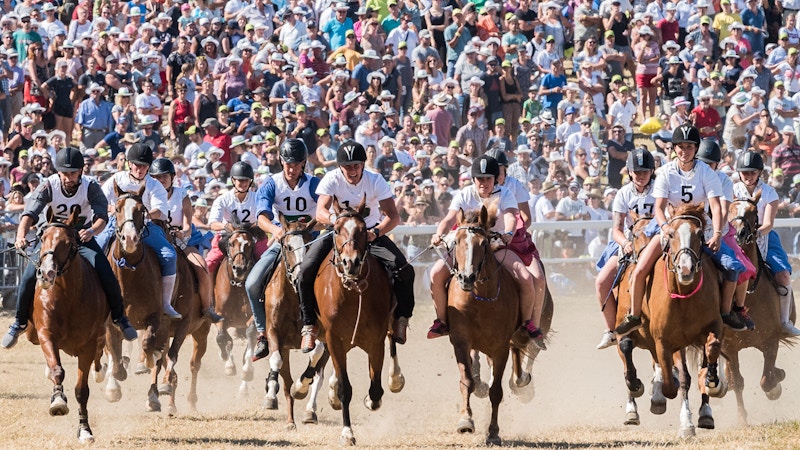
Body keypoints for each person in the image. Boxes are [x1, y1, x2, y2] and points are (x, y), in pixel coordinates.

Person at [615, 125, 748, 336]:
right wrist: (665, 227)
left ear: (695, 149)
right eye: (680, 147)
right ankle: (634, 315)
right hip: (672, 229)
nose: (684, 151)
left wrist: (716, 234)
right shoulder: (665, 172)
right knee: (639, 270)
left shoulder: (707, 172)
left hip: (700, 230)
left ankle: (725, 313)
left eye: (689, 147)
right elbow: (659, 208)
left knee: (733, 267)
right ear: (674, 148)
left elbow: (715, 206)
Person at [1, 148, 137, 349]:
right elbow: (29, 214)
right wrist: (21, 236)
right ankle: (19, 322)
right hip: (52, 239)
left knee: (105, 271)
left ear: (81, 171)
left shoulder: (91, 186)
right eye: (64, 173)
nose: (68, 178)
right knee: (29, 276)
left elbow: (102, 217)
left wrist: (92, 231)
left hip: (81, 237)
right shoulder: (48, 185)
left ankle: (119, 318)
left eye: (72, 173)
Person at [296, 140, 415, 353]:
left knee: (405, 270)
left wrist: (375, 233)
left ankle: (400, 319)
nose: (352, 170)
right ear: (340, 167)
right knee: (304, 271)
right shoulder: (331, 179)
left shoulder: (375, 180)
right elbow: (320, 212)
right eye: (348, 166)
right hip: (339, 233)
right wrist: (337, 222)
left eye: (356, 165)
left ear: (362, 165)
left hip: (368, 233)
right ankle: (309, 325)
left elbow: (393, 216)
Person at [428, 155, 546, 349]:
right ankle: (442, 321)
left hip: (494, 246)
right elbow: (449, 219)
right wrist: (438, 234)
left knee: (525, 278)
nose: (484, 183)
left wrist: (509, 233)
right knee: (435, 274)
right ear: (474, 179)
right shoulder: (464, 194)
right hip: (466, 246)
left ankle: (527, 323)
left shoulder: (505, 193)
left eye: (488, 179)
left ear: (495, 179)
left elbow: (511, 216)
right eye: (480, 179)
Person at [246, 139, 320, 361]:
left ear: (303, 163)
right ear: (281, 162)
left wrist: (313, 226)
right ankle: (262, 333)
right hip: (283, 242)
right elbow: (261, 217)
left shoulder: (315, 184)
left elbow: (326, 210)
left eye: (296, 164)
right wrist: (275, 230)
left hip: (311, 241)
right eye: (288, 164)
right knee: (252, 284)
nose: (291, 169)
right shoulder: (271, 184)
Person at [98, 143, 182, 320]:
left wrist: (142, 215)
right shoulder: (117, 179)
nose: (140, 169)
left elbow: (159, 211)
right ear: (129, 164)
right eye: (137, 165)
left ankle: (165, 303)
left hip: (146, 224)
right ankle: (93, 298)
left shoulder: (154, 185)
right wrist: (114, 210)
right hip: (116, 222)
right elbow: (100, 201)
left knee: (169, 256)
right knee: (96, 250)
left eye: (144, 166)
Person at [595, 148, 657, 349]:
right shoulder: (623, 193)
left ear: (652, 171)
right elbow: (616, 229)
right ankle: (611, 330)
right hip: (630, 242)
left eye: (645, 172)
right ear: (629, 172)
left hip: (657, 240)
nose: (640, 176)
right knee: (601, 282)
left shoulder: (660, 190)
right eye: (636, 172)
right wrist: (625, 243)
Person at [733, 151, 800, 336]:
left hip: (765, 236)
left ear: (760, 173)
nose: (748, 176)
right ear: (739, 173)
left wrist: (754, 234)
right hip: (736, 236)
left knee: (783, 276)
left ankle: (784, 321)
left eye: (752, 172)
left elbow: (769, 224)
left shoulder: (769, 192)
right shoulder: (732, 191)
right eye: (745, 172)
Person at [148, 158, 223, 323]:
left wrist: (183, 233)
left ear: (172, 177)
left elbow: (188, 224)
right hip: (156, 238)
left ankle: (207, 308)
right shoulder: (147, 194)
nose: (160, 180)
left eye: (164, 176)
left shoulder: (181, 195)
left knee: (202, 267)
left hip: (181, 240)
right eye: (156, 177)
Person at [205, 161, 269, 281]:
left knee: (267, 263)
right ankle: (206, 291)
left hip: (254, 237)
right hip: (227, 237)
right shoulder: (222, 199)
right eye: (240, 180)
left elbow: (266, 218)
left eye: (246, 180)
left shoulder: (257, 198)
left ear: (250, 181)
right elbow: (213, 223)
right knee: (209, 265)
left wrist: (255, 225)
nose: (243, 183)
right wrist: (226, 226)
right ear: (233, 180)